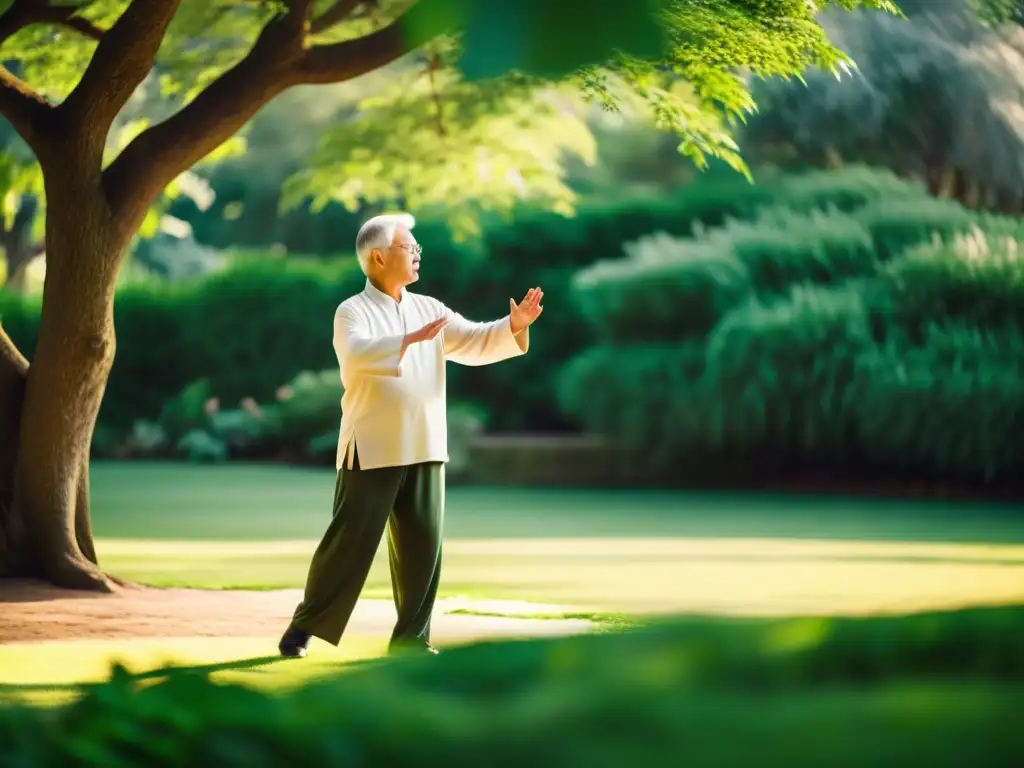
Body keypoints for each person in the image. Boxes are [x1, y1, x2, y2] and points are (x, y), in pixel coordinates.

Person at [278, 213, 544, 658]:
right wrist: (408, 338)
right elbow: (357, 354)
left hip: (425, 444)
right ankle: (302, 628)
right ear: (378, 257)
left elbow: (475, 341)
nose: (417, 252)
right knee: (348, 545)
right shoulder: (352, 311)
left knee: (423, 549)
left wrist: (513, 326)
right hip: (372, 446)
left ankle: (411, 641)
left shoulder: (430, 308)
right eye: (409, 246)